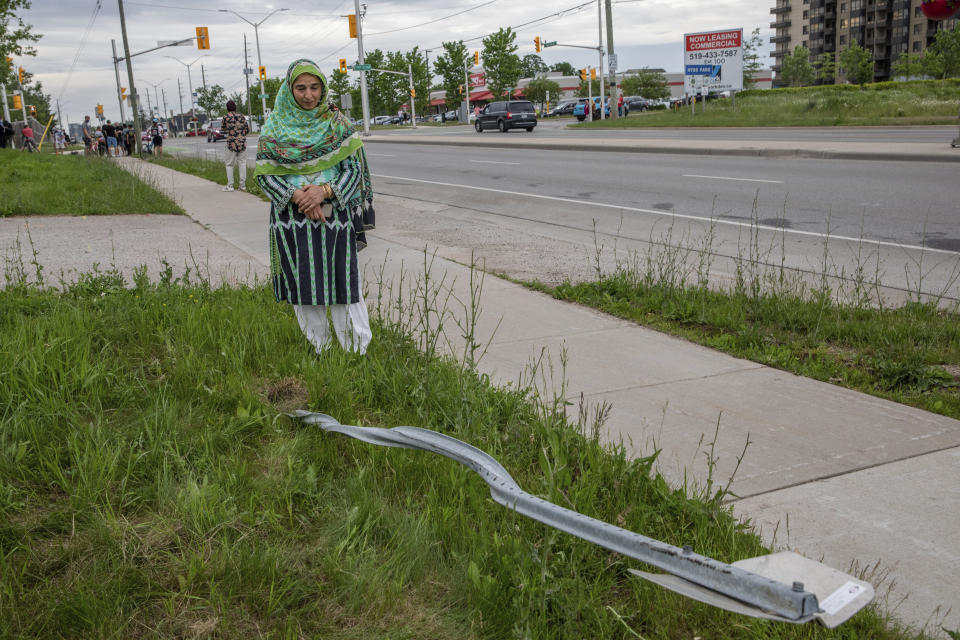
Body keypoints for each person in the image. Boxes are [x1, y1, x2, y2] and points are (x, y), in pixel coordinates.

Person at [255, 58, 376, 356]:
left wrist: (323, 192)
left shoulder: (338, 125)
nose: (308, 95)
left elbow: (354, 171)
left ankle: (355, 352)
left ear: (323, 89)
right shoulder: (273, 129)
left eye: (314, 87)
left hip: (335, 217)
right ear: (288, 89)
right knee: (303, 281)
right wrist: (299, 197)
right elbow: (265, 176)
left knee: (343, 281)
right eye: (300, 88)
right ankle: (320, 349)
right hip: (291, 220)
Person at [221, 99, 250, 192]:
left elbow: (223, 128)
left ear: (227, 108)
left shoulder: (226, 117)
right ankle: (242, 185)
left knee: (229, 164)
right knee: (242, 163)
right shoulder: (242, 116)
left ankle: (230, 185)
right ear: (235, 107)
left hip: (231, 143)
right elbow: (247, 129)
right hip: (242, 143)